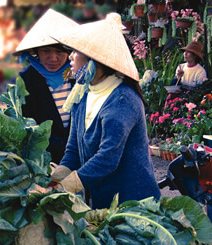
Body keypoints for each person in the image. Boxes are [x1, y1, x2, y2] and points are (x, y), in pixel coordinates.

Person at [50, 13, 160, 209]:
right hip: (103, 202)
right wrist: (56, 177)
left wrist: (67, 185)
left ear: (95, 59)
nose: (71, 57)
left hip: (133, 202)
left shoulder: (123, 100)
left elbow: (107, 159)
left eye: (76, 51)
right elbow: (74, 150)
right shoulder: (82, 95)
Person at [14, 9, 78, 163]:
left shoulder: (78, 74)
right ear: (36, 52)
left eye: (59, 52)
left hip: (80, 160)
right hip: (44, 162)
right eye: (46, 51)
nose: (53, 58)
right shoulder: (26, 80)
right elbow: (26, 126)